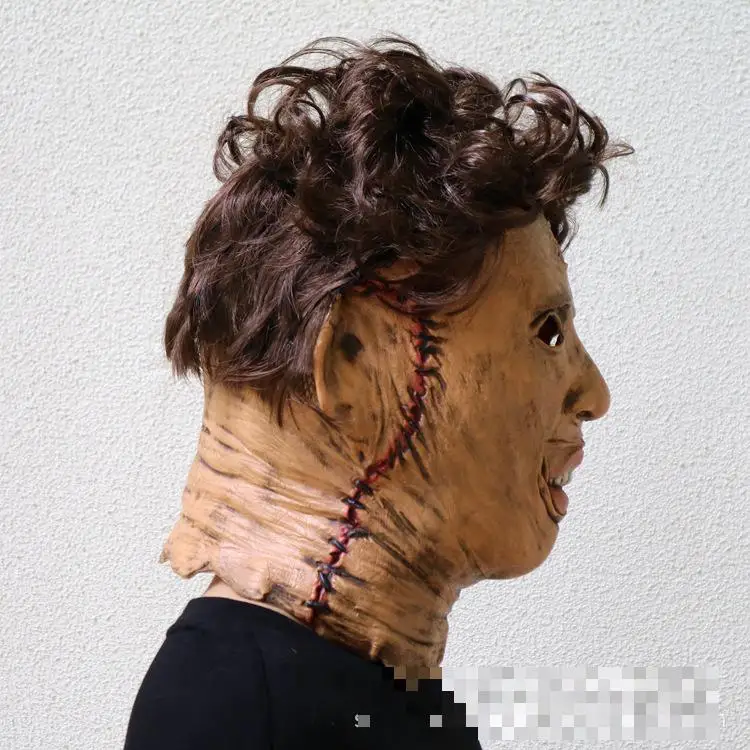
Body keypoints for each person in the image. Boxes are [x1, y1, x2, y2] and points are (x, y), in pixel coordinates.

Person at [123, 34, 633, 749]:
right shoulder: (237, 715)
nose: (594, 394)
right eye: (545, 331)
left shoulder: (354, 695)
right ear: (355, 362)